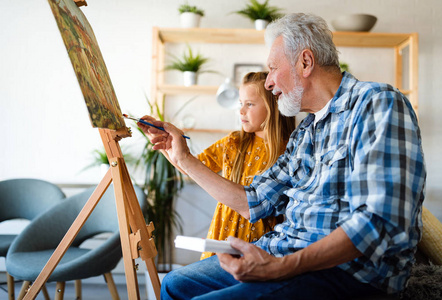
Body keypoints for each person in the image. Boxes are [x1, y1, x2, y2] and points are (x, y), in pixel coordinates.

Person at [140, 13, 426, 300]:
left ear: (305, 62)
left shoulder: (377, 102)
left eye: (273, 68)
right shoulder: (306, 131)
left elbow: (377, 222)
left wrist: (281, 268)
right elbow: (253, 202)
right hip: (283, 253)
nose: (268, 83)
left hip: (346, 275)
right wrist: (182, 157)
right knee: (175, 284)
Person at [141, 72, 295, 260]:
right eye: (240, 103)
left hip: (261, 247)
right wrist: (165, 146)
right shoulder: (233, 143)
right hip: (222, 236)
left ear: (273, 106)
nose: (241, 111)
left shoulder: (289, 151)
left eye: (250, 104)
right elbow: (192, 168)